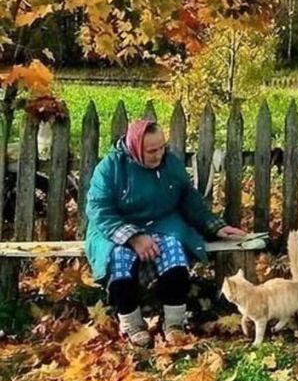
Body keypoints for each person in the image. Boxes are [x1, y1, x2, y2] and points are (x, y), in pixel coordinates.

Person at [84, 119, 245, 346]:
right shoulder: (110, 167)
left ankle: (174, 323)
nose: (159, 155)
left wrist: (216, 226)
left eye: (162, 148)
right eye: (152, 151)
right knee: (119, 260)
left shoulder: (170, 165)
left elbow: (191, 201)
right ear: (136, 148)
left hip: (161, 223)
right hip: (116, 227)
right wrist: (134, 238)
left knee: (174, 255)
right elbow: (99, 210)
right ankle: (132, 324)